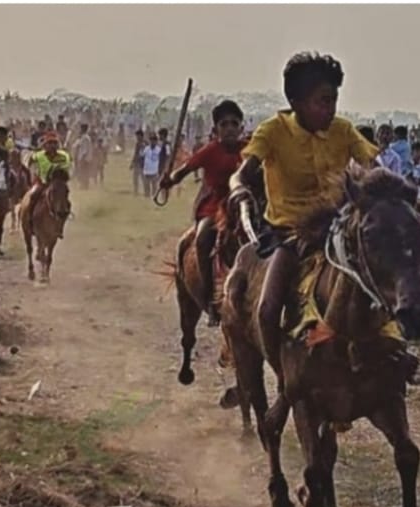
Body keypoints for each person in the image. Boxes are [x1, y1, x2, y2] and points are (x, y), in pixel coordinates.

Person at [228, 52, 379, 374]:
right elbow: (241, 174)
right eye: (322, 101)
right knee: (268, 310)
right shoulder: (272, 131)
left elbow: (375, 172)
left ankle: (389, 361)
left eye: (334, 100)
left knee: (386, 285)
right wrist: (239, 188)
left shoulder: (344, 130)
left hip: (337, 233)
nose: (330, 110)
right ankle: (285, 380)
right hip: (289, 235)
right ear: (295, 101)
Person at [160, 100, 246, 326]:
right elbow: (186, 169)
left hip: (245, 206)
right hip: (214, 207)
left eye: (234, 124)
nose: (229, 128)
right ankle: (208, 297)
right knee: (204, 236)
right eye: (224, 124)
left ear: (241, 128)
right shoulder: (210, 151)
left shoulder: (251, 149)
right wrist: (169, 180)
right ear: (216, 129)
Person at [140, 133, 163, 198]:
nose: (152, 142)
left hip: (155, 171)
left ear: (156, 141)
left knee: (154, 187)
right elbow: (142, 157)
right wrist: (142, 167)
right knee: (146, 186)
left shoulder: (159, 150)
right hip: (146, 170)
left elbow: (161, 160)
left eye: (154, 140)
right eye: (151, 140)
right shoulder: (146, 149)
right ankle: (146, 198)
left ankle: (154, 198)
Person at [130, 129, 145, 195]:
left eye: (137, 136)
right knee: (136, 178)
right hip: (138, 163)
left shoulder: (143, 143)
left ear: (141, 136)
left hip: (141, 163)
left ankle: (145, 191)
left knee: (143, 178)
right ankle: (136, 191)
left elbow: (138, 154)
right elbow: (136, 154)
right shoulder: (138, 143)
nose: (137, 137)